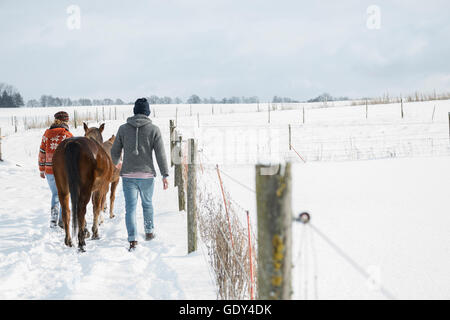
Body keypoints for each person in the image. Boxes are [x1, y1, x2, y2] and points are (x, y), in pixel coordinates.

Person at [111, 98, 169, 251]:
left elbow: (114, 150)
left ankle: (132, 239)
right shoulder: (154, 129)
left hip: (128, 176)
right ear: (147, 112)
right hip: (147, 175)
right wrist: (165, 174)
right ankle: (149, 232)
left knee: (130, 208)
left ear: (135, 111)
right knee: (147, 204)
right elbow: (160, 154)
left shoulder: (123, 129)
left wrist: (116, 162)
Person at [38, 111, 73, 228]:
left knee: (55, 194)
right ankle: (62, 219)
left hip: (49, 170)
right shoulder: (67, 135)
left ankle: (54, 218)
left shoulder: (46, 134)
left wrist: (41, 169)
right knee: (64, 194)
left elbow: (42, 152)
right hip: (63, 171)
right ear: (66, 121)